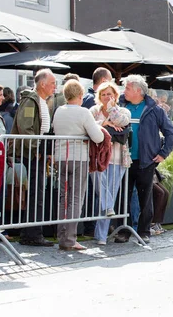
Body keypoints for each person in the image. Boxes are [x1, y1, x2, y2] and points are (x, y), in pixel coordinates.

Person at [114, 75, 173, 244]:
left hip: (145, 160)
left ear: (138, 91)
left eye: (127, 88)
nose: (123, 91)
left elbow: (170, 132)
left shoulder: (154, 109)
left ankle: (144, 231)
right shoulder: (120, 105)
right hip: (122, 160)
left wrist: (163, 153)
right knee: (122, 197)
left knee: (145, 197)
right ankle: (123, 231)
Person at [52, 80, 104, 251]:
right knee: (75, 198)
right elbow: (98, 137)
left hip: (61, 157)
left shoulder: (59, 110)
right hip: (78, 158)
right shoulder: (83, 112)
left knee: (63, 198)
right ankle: (70, 239)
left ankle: (62, 236)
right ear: (81, 96)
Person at [10, 69, 57, 247]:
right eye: (52, 83)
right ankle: (32, 233)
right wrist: (36, 148)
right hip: (33, 151)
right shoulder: (31, 100)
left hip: (38, 150)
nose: (55, 86)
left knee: (38, 193)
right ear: (42, 84)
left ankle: (31, 232)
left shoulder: (42, 100)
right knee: (36, 193)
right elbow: (26, 127)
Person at [90, 81, 131, 245]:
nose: (107, 97)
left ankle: (100, 236)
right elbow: (87, 125)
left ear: (116, 95)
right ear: (99, 96)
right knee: (105, 196)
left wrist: (111, 110)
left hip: (117, 159)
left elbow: (122, 121)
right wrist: (103, 124)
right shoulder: (93, 111)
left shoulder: (123, 110)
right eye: (104, 94)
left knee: (109, 196)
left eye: (110, 94)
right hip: (97, 159)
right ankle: (102, 225)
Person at [81, 68, 113, 237]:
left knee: (94, 189)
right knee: (94, 189)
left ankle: (91, 226)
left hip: (95, 153)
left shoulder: (86, 99)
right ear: (102, 82)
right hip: (93, 152)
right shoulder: (90, 102)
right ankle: (91, 227)